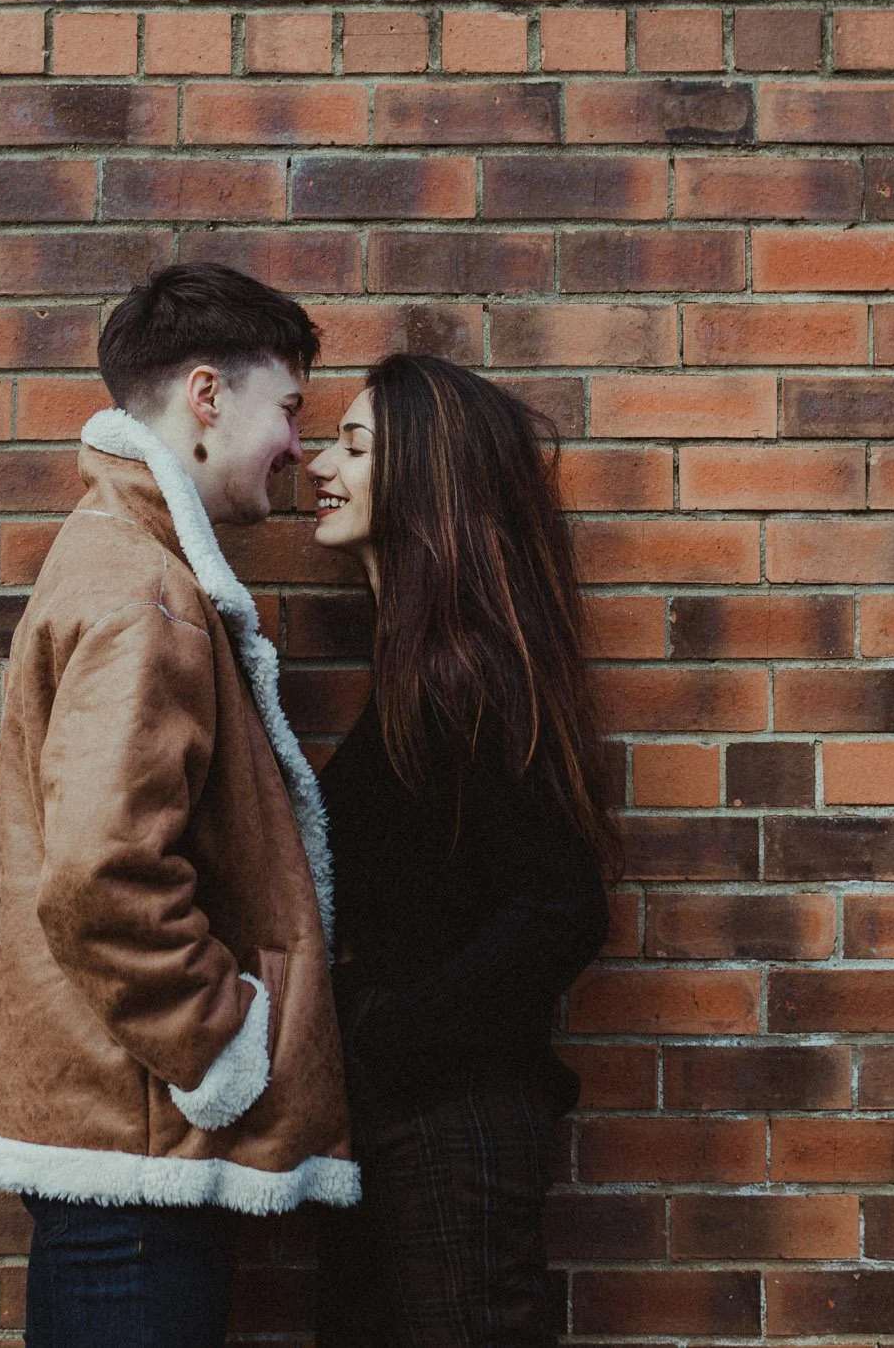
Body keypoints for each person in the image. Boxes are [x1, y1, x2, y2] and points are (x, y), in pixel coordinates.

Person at [0, 262, 358, 1348]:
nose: (298, 447)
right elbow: (99, 874)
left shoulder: (124, 561)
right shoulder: (142, 590)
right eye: (290, 409)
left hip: (117, 1139)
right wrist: (221, 1042)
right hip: (135, 1150)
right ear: (207, 396)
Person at [303, 353, 618, 1348]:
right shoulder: (423, 664)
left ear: (421, 475)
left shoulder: (462, 674)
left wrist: (385, 1038)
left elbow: (559, 907)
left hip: (451, 1117)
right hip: (408, 1110)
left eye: (352, 445)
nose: (318, 464)